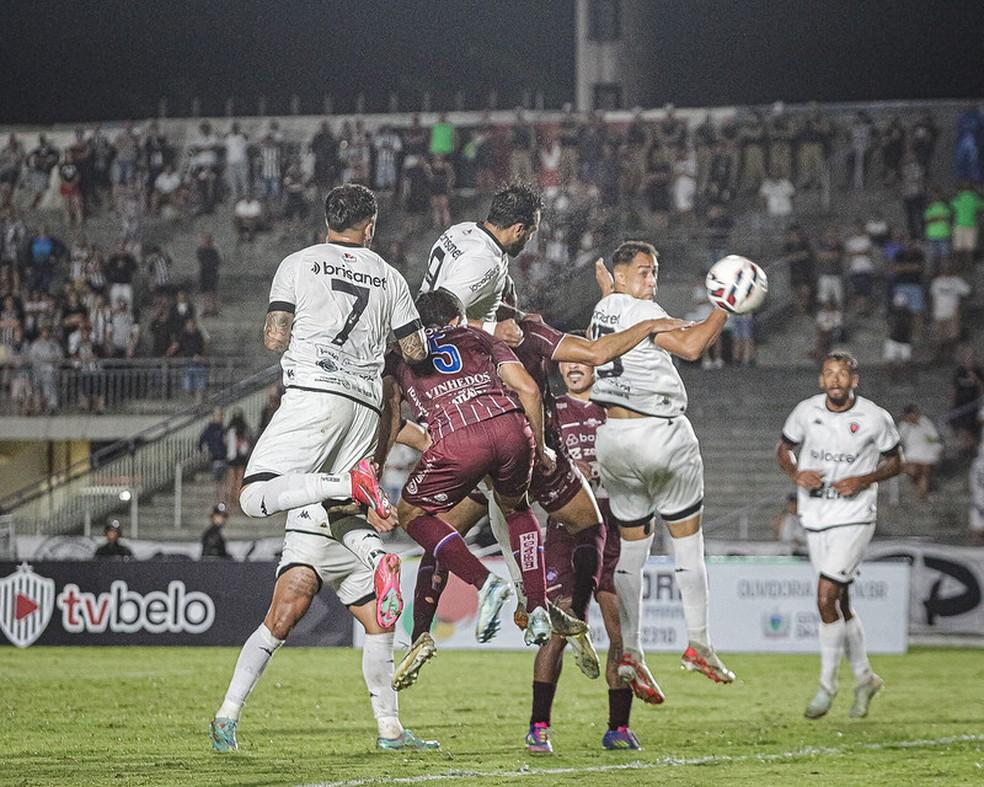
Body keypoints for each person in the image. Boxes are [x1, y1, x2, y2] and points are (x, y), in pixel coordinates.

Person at [392, 294, 687, 695]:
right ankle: (543, 609)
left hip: (470, 450)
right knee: (578, 523)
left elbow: (391, 418)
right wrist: (648, 325)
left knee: (433, 529)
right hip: (523, 443)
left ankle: (432, 629)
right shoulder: (504, 335)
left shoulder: (438, 344)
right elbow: (585, 357)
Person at [233, 183, 427, 641]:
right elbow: (416, 350)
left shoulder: (297, 263)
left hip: (313, 393)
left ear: (327, 220)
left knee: (254, 495)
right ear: (370, 227)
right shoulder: (390, 275)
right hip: (364, 405)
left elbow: (275, 337)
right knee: (341, 513)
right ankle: (380, 559)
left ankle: (349, 483)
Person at [590, 241, 736, 686]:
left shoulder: (604, 311)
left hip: (614, 440)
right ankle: (700, 644)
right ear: (619, 278)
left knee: (633, 550)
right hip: (661, 433)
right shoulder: (640, 314)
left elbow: (617, 312)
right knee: (687, 545)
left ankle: (631, 650)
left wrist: (607, 287)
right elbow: (692, 347)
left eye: (654, 272)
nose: (650, 281)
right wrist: (724, 307)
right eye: (641, 272)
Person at [379, 289, 556, 653]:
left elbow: (392, 418)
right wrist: (537, 446)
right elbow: (529, 390)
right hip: (510, 427)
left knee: (411, 512)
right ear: (457, 319)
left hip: (456, 436)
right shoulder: (478, 336)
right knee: (517, 509)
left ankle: (484, 582)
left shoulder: (398, 355)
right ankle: (538, 608)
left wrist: (376, 469)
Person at [210, 495, 439, 753]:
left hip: (355, 536)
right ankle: (226, 716)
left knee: (381, 624)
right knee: (279, 624)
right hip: (313, 529)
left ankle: (391, 730)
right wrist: (368, 504)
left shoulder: (379, 451)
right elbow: (317, 472)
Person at [528, 361, 647, 753]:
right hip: (570, 527)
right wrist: (563, 469)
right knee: (564, 626)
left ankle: (618, 728)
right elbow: (531, 463)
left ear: (597, 367)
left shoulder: (617, 408)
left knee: (619, 630)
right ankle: (539, 726)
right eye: (567, 364)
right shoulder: (550, 411)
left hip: (614, 524)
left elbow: (644, 464)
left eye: (582, 362)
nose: (574, 369)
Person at [776, 351, 902, 720]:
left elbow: (897, 462)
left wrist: (862, 480)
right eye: (829, 374)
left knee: (824, 596)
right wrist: (795, 474)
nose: (835, 380)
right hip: (815, 516)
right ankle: (864, 677)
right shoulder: (805, 411)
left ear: (854, 381)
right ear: (821, 380)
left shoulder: (874, 418)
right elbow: (783, 449)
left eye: (842, 374)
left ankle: (827, 685)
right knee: (841, 604)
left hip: (855, 516)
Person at [419, 181, 542, 347]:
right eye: (531, 232)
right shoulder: (485, 261)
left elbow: (471, 297)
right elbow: (438, 317)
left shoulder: (461, 229)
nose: (530, 238)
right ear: (519, 229)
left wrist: (520, 316)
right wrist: (493, 329)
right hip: (455, 355)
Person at [899, 404, 943, 500]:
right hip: (912, 455)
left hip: (927, 454)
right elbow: (901, 439)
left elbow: (934, 437)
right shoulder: (904, 425)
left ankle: (922, 494)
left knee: (924, 472)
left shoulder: (925, 422)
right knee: (914, 471)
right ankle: (919, 488)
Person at [199, 408, 228, 504]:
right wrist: (203, 451)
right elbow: (201, 441)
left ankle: (222, 500)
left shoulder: (223, 429)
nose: (221, 418)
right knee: (217, 481)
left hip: (223, 458)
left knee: (223, 481)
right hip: (216, 458)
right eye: (219, 416)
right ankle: (217, 500)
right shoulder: (210, 429)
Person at [196, 232, 222, 317]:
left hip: (212, 272)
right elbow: (200, 259)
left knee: (212, 292)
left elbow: (218, 261)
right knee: (204, 292)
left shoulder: (214, 250)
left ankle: (214, 309)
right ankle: (206, 308)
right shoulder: (200, 250)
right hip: (204, 272)